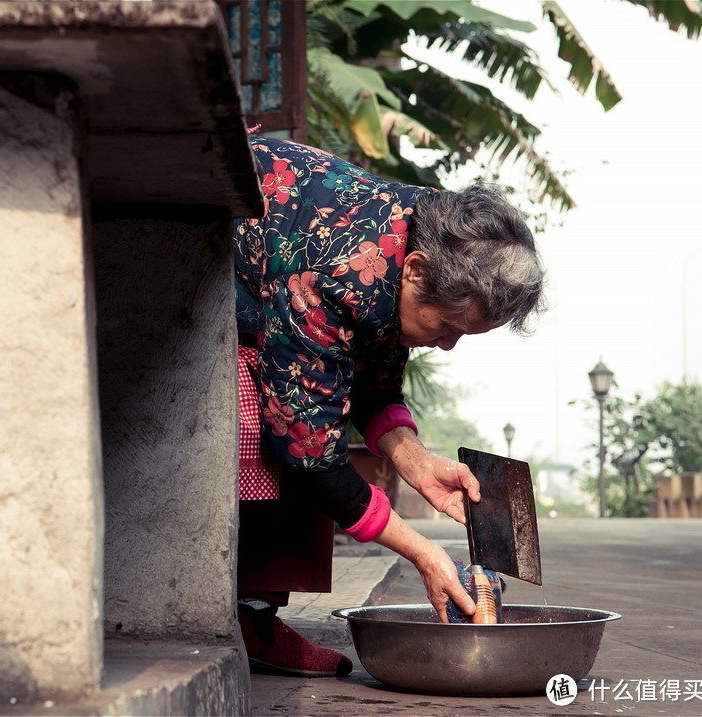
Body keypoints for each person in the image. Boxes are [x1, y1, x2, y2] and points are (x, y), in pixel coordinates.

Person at [234, 133, 545, 677]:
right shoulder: (335, 274)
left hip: (290, 294)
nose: (447, 344)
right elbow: (311, 450)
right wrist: (425, 552)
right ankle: (247, 617)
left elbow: (372, 380)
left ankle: (255, 615)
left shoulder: (430, 230)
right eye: (447, 326)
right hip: (201, 285)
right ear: (417, 270)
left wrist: (416, 461)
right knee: (274, 425)